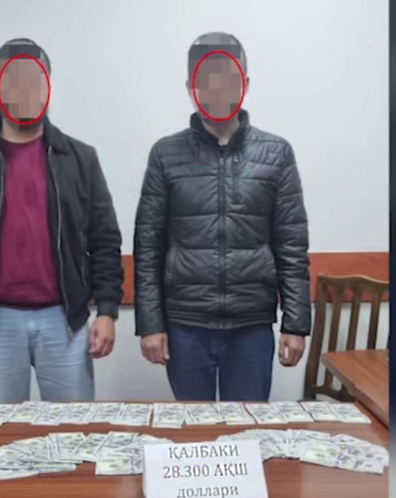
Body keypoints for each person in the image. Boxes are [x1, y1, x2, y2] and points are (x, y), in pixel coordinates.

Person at [0, 38, 123, 407]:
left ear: (48, 86)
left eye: (33, 81)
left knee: (72, 430)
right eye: (12, 81)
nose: (23, 91)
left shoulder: (79, 157)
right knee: (2, 431)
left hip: (64, 321)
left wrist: (108, 311)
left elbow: (104, 239)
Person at [133, 32, 311, 401]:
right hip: (185, 325)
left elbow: (291, 245)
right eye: (205, 81)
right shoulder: (165, 154)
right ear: (190, 88)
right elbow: (148, 246)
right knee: (193, 428)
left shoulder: (276, 153)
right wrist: (150, 324)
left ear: (245, 83)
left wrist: (296, 324)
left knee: (247, 426)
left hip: (251, 326)